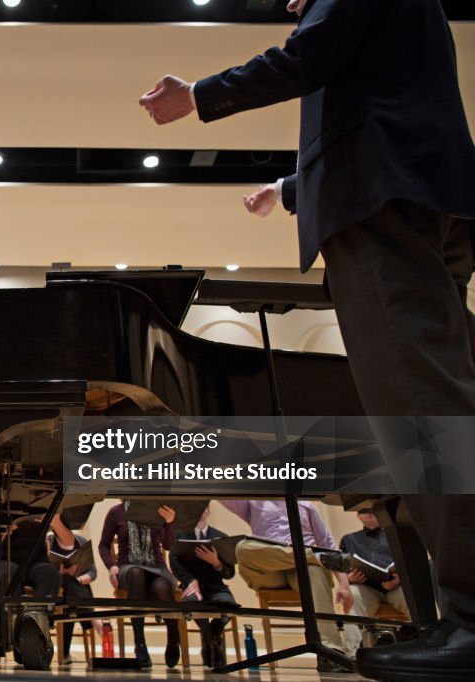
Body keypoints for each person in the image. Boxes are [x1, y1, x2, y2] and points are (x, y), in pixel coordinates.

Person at [139, 1, 475, 677]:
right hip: (414, 194)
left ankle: (471, 619)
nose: (294, 1)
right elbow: (382, 95)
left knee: (424, 418)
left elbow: (311, 55)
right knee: (440, 407)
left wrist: (199, 95)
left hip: (380, 204)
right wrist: (293, 188)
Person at [220, 500, 353, 671]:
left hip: (301, 573)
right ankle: (314, 556)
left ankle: (330, 652)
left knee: (316, 570)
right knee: (242, 548)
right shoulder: (253, 501)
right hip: (270, 571)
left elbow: (327, 544)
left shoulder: (307, 506)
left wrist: (344, 585)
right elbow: (224, 496)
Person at [98, 502, 180, 668]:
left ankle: (173, 639)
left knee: (162, 587)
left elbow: (169, 545)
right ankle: (140, 644)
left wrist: (170, 522)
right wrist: (111, 566)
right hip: (128, 567)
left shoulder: (158, 510)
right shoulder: (116, 512)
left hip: (156, 567)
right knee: (137, 573)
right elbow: (104, 545)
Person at [169, 504, 236, 669]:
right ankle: (214, 643)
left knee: (228, 604)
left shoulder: (220, 537)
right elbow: (173, 561)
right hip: (192, 586)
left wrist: (217, 563)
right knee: (192, 604)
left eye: (203, 509)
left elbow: (229, 573)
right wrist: (191, 581)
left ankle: (210, 639)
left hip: (215, 587)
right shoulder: (180, 535)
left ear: (208, 512)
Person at [338, 508, 411, 656]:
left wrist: (399, 579)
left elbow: (410, 562)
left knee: (413, 595)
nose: (370, 513)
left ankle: (426, 643)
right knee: (352, 595)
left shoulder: (395, 535)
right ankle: (353, 653)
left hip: (396, 587)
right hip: (367, 588)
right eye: (364, 511)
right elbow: (342, 567)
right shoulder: (348, 539)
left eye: (373, 510)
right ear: (358, 515)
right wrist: (350, 579)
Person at [48, 513, 102, 666]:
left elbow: (93, 572)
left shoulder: (81, 541)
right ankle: (92, 617)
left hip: (74, 591)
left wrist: (77, 578)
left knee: (70, 605)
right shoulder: (49, 541)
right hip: (56, 590)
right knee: (65, 583)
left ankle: (64, 653)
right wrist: (61, 573)